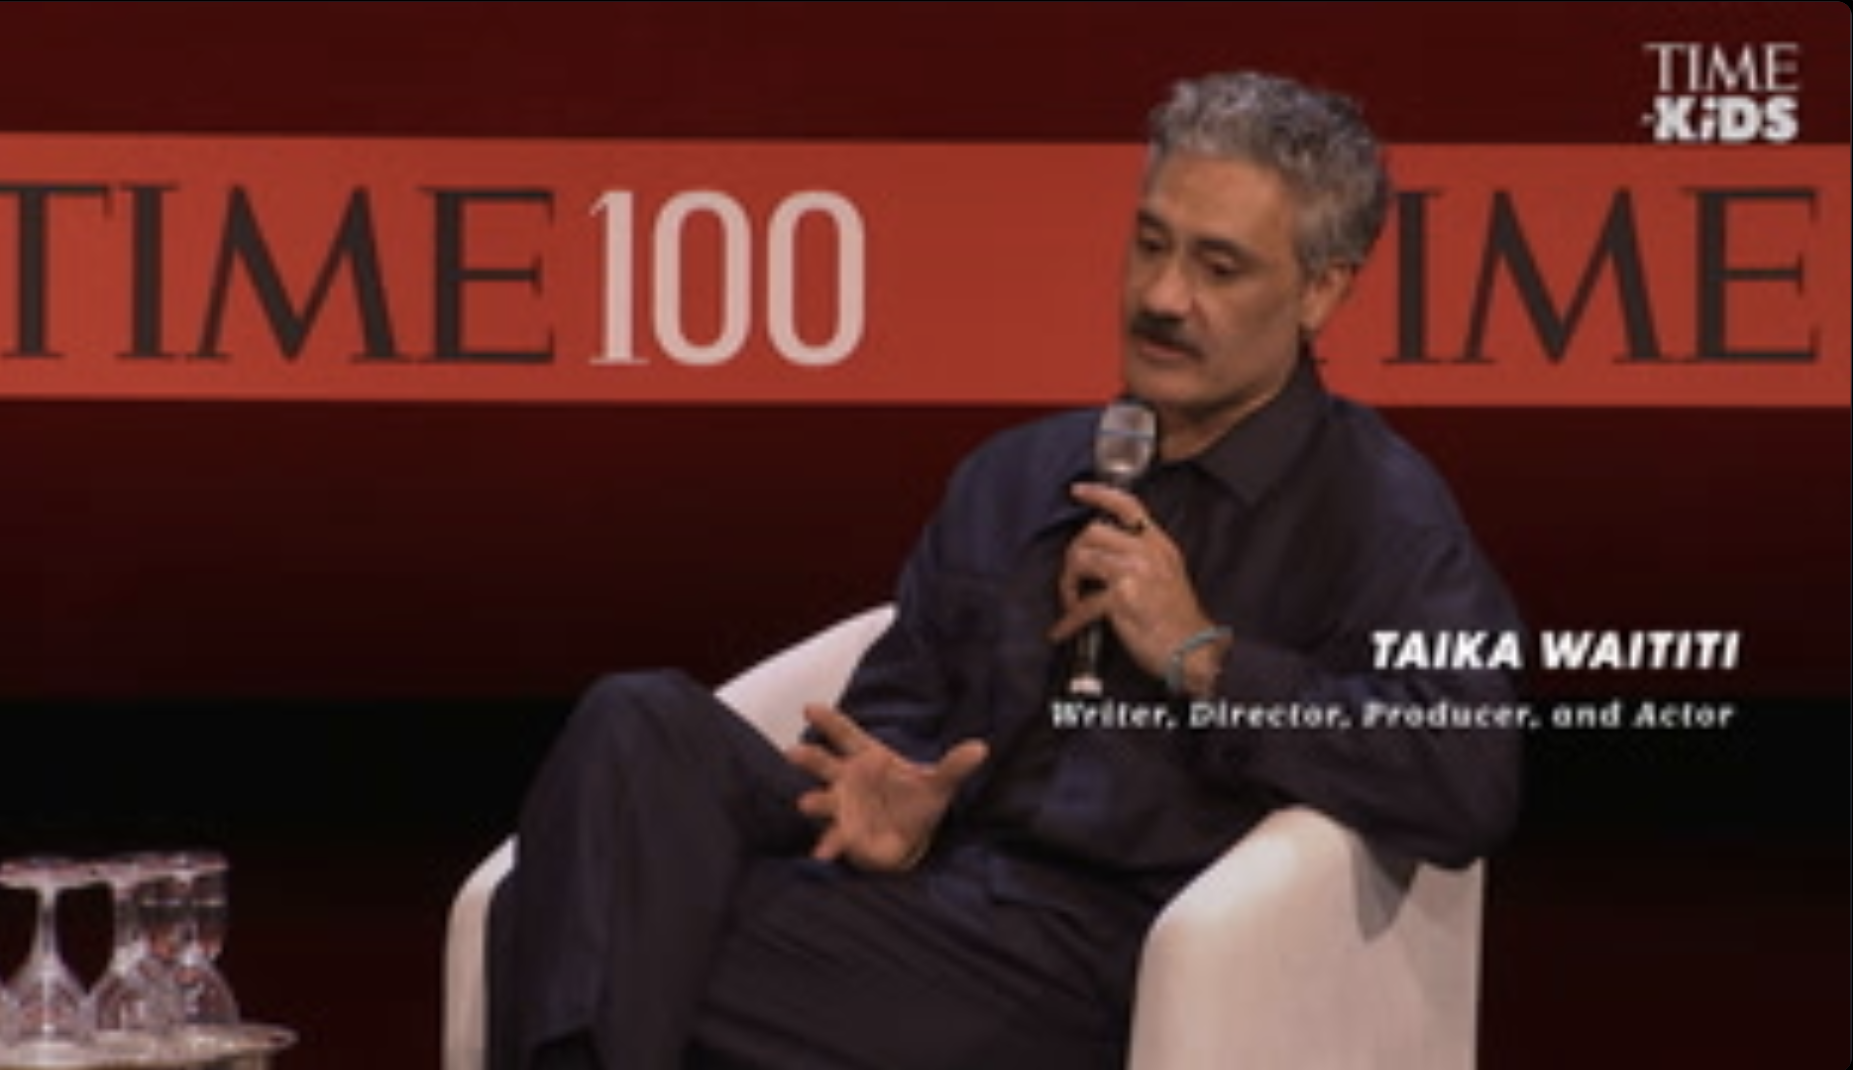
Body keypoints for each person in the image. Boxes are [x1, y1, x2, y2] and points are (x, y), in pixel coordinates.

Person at [489, 69, 1524, 1070]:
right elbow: (895, 710)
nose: (1162, 295)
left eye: (1218, 267)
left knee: (581, 930)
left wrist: (1207, 658)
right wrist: (894, 792)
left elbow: (1463, 770)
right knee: (636, 725)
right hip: (919, 900)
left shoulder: (1377, 509)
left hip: (1110, 957)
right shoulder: (1020, 471)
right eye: (1150, 243)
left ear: (1319, 291)